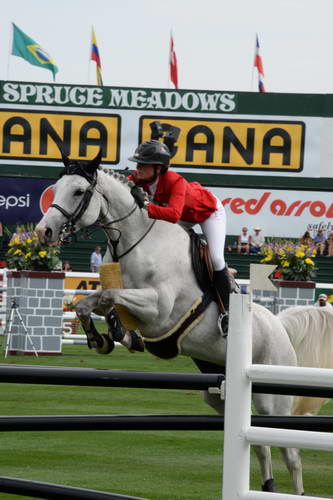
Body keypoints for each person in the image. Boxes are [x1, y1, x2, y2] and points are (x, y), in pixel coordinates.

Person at [127, 139, 231, 334]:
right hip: (183, 216)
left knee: (217, 259)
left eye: (142, 164)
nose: (138, 168)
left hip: (208, 212)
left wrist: (146, 206)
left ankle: (228, 312)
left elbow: (173, 215)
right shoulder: (140, 179)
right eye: (137, 164)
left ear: (158, 168)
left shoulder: (176, 181)